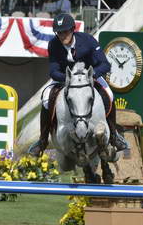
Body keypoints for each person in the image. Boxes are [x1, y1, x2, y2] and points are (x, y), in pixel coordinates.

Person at [28, 13, 128, 157]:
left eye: (65, 31)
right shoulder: (54, 44)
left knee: (110, 94)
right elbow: (53, 71)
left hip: (89, 77)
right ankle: (42, 141)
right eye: (59, 33)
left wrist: (91, 76)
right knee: (45, 97)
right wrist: (68, 79)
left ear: (73, 29)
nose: (62, 36)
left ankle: (114, 135)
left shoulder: (88, 41)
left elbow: (105, 64)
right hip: (66, 79)